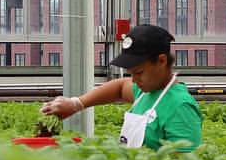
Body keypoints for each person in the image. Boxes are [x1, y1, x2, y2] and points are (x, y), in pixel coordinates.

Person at [40, 24, 202, 152]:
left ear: (161, 61)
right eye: (130, 73)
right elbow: (119, 87)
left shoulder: (180, 107)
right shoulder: (144, 92)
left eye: (139, 72)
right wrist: (76, 104)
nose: (134, 80)